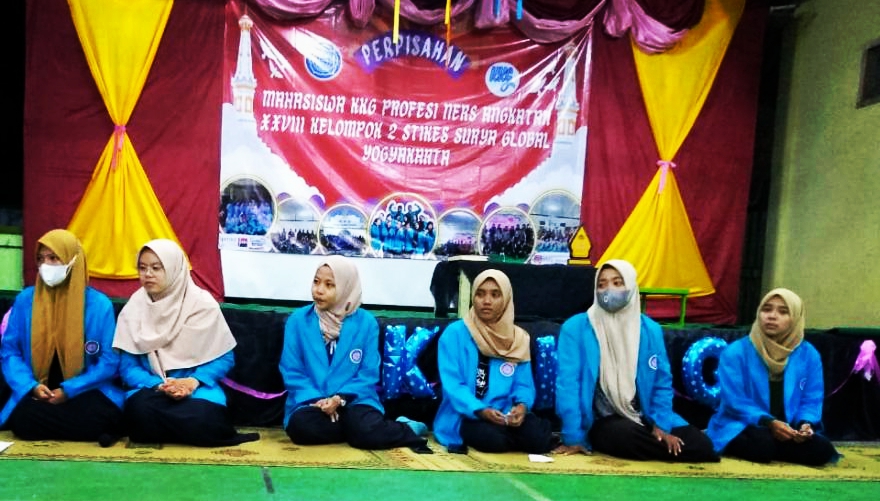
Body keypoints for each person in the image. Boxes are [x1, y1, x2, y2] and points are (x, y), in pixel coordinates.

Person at [554, 259, 718, 462]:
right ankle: (663, 449)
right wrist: (573, 436)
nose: (608, 290)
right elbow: (568, 385)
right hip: (604, 419)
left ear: (631, 287)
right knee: (625, 436)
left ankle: (659, 444)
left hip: (645, 416)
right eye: (602, 284)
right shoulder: (576, 328)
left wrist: (661, 426)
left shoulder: (650, 330)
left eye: (617, 283)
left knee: (703, 445)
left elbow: (661, 382)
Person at [113, 239, 258, 447]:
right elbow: (128, 366)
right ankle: (182, 430)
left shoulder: (202, 305)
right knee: (138, 412)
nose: (148, 274)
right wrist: (159, 385)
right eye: (142, 268)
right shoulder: (134, 308)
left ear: (174, 269)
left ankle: (174, 428)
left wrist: (192, 382)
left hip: (197, 389)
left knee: (206, 417)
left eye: (156, 268)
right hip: (153, 390)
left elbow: (225, 358)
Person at [279, 255, 430, 451]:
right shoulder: (298, 320)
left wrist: (339, 399)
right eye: (316, 282)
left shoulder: (366, 323)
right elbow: (292, 370)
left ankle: (404, 428)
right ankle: (364, 430)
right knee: (302, 427)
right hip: (313, 402)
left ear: (346, 287)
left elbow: (368, 373)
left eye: (329, 285)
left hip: (354, 400)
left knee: (359, 424)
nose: (319, 290)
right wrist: (318, 400)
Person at [0, 229, 124, 446]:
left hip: (86, 390)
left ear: (73, 260)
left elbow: (109, 360)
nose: (45, 265)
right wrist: (31, 386)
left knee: (103, 413)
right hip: (39, 391)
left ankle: (83, 425)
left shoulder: (99, 304)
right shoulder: (25, 300)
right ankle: (88, 429)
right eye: (41, 259)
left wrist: (69, 390)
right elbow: (10, 352)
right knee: (24, 417)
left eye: (53, 258)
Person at [705, 288, 839, 465]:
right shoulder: (736, 352)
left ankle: (779, 446)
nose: (772, 316)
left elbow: (811, 399)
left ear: (795, 318)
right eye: (766, 309)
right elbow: (735, 401)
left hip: (789, 427)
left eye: (783, 312)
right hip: (744, 424)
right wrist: (769, 422)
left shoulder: (809, 354)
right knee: (762, 444)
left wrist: (805, 425)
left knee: (823, 450)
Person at [433, 269, 555, 454]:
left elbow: (524, 385)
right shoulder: (454, 334)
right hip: (467, 414)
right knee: (493, 440)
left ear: (506, 299)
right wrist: (480, 410)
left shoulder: (518, 338)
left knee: (538, 439)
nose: (486, 301)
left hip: (505, 413)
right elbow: (453, 385)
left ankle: (515, 435)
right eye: (480, 294)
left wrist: (521, 407)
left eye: (495, 295)